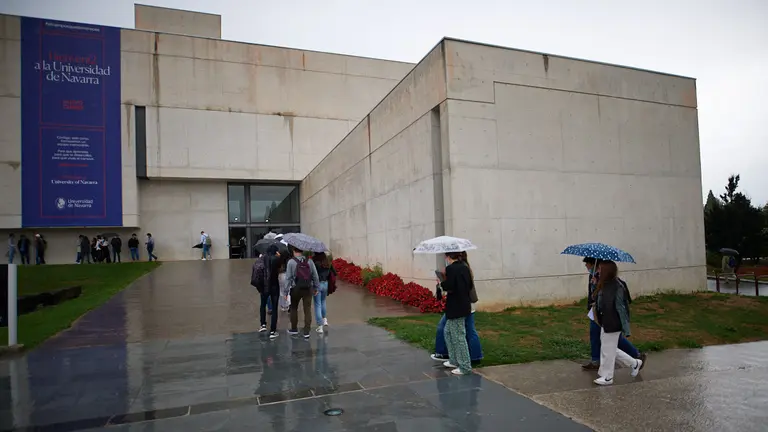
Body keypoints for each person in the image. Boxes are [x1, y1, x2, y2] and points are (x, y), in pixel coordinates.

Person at [582, 257, 645, 370]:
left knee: (612, 341)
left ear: (595, 265)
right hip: (597, 312)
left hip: (607, 315)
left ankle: (635, 358)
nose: (586, 266)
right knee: (596, 335)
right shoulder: (593, 277)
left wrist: (625, 326)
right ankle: (597, 361)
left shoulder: (611, 281)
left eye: (587, 264)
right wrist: (593, 287)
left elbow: (615, 302)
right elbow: (594, 297)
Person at [431, 252, 483, 363]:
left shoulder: (459, 268)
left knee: (459, 334)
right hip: (463, 305)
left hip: (459, 306)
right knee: (452, 331)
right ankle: (459, 358)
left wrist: (444, 282)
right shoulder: (464, 268)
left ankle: (463, 361)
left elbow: (455, 287)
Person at [439, 252, 474, 375]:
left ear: (448, 257)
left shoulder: (451, 269)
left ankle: (465, 365)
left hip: (456, 306)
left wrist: (441, 282)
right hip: (463, 304)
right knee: (448, 332)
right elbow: (469, 285)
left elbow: (450, 286)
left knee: (458, 336)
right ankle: (454, 360)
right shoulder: (465, 267)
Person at [285, 246, 320, 339]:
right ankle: (306, 331)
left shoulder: (291, 262)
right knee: (307, 309)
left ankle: (294, 329)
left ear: (293, 251)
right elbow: (315, 275)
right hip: (308, 288)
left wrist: (285, 291)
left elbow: (288, 278)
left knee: (293, 308)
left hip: (295, 288)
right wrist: (316, 287)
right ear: (302, 251)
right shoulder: (309, 261)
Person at [252, 245, 282, 339]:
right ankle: (273, 331)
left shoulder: (262, 259)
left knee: (263, 304)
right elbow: (280, 268)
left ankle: (263, 325)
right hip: (274, 286)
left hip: (264, 286)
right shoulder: (277, 259)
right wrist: (279, 256)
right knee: (274, 308)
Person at [312, 252, 336, 334]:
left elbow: (312, 274)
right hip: (325, 284)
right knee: (323, 301)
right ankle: (324, 319)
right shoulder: (327, 262)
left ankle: (320, 326)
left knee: (317, 304)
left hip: (317, 284)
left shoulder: (315, 263)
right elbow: (334, 273)